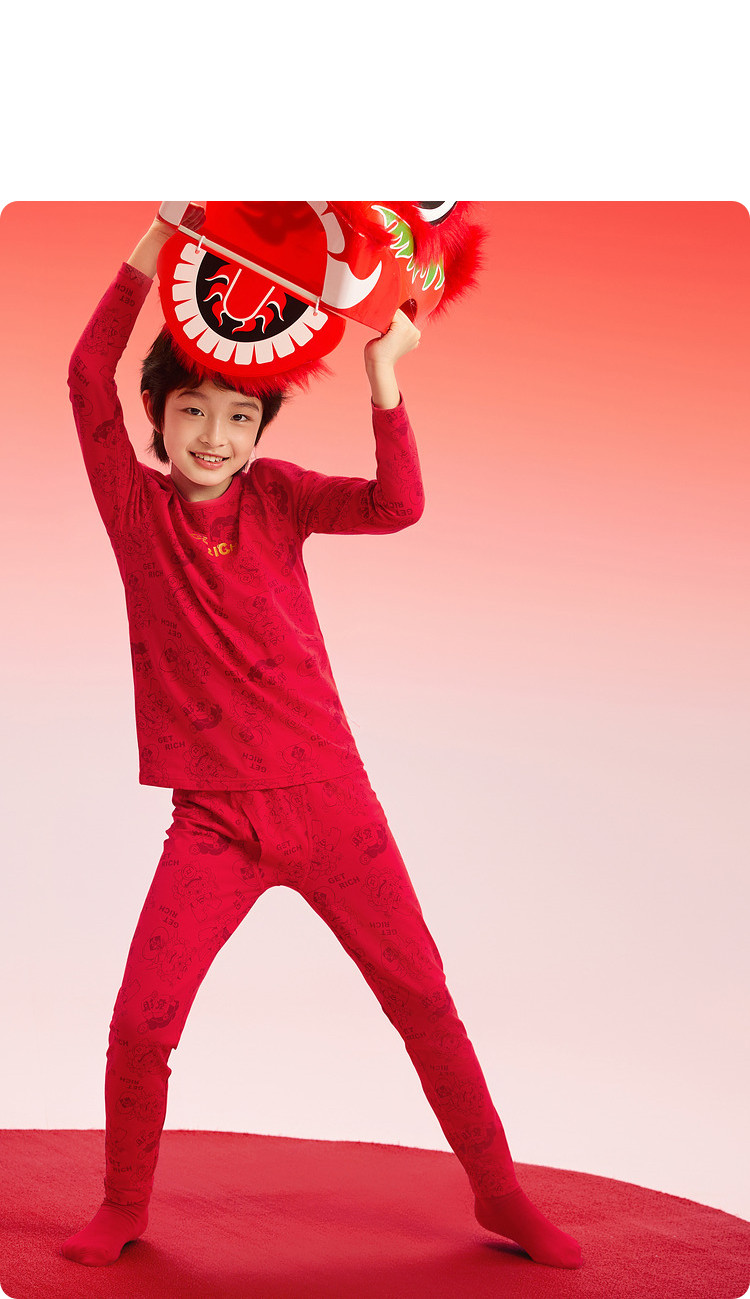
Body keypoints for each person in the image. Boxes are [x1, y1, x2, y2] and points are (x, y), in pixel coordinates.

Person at [60, 211, 582, 1270]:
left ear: (261, 427)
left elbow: (397, 505)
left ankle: (500, 1193)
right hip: (214, 821)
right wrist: (160, 236)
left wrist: (385, 376)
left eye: (237, 416)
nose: (214, 436)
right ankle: (123, 1203)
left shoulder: (281, 496)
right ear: (158, 417)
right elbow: (84, 377)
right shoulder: (134, 506)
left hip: (334, 805)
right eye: (192, 411)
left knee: (424, 1000)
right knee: (143, 1022)